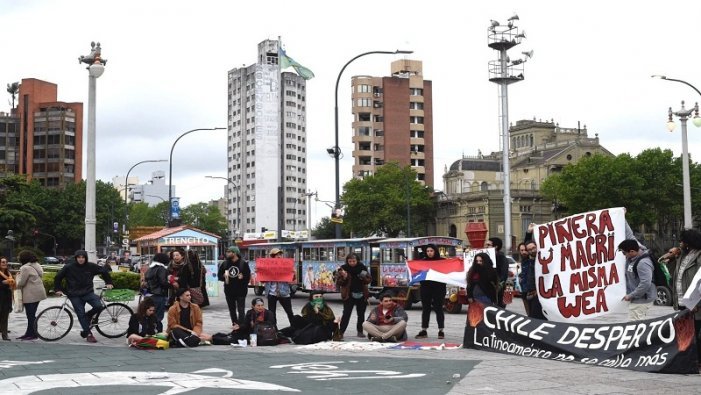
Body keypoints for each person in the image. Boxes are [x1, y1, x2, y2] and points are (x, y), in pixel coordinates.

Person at [54, 250, 114, 343]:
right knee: (80, 314)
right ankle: (89, 334)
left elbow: (104, 271)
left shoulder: (90, 266)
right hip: (74, 294)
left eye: (83, 257)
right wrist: (58, 289)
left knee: (99, 306)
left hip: (88, 292)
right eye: (79, 257)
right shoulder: (69, 267)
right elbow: (58, 277)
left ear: (85, 258)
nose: (81, 259)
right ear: (76, 258)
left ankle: (88, 315)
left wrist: (109, 282)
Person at [672, 228, 701, 358]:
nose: (679, 243)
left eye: (682, 241)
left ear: (689, 241)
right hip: (682, 300)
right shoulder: (684, 254)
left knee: (696, 333)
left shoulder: (699, 256)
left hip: (695, 303)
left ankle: (697, 359)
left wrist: (696, 301)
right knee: (685, 333)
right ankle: (688, 359)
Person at [336, 252, 371, 339]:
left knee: (361, 313)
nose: (352, 263)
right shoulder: (343, 268)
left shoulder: (362, 267)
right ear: (347, 261)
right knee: (346, 313)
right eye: (350, 261)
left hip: (361, 294)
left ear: (357, 261)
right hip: (348, 294)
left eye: (353, 261)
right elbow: (339, 282)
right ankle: (341, 332)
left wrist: (363, 277)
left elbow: (368, 280)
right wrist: (344, 276)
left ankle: (360, 331)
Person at [618, 239, 656, 320]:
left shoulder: (643, 263)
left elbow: (645, 283)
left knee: (634, 326)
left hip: (641, 300)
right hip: (637, 299)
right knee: (637, 324)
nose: (624, 255)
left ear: (631, 251)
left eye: (624, 253)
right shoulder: (633, 257)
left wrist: (631, 295)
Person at [415, 244, 446, 339]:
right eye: (428, 251)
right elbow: (418, 272)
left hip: (439, 288)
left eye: (431, 251)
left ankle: (441, 330)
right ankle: (424, 330)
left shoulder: (442, 261)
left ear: (435, 251)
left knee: (438, 308)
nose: (429, 253)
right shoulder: (423, 262)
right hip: (426, 287)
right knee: (426, 309)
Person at [16, 250, 47, 341]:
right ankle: (29, 333)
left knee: (30, 315)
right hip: (38, 293)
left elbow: (21, 282)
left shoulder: (25, 268)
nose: (18, 258)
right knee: (31, 314)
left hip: (30, 294)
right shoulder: (36, 265)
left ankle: (33, 334)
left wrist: (17, 277)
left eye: (19, 257)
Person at [218, 246, 250, 326]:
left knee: (241, 310)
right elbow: (219, 276)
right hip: (229, 291)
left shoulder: (243, 263)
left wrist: (243, 277)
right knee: (232, 310)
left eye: (229, 252)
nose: (227, 253)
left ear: (234, 253)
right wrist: (224, 277)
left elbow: (248, 277)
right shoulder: (225, 263)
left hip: (241, 291)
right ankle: (235, 326)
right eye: (227, 252)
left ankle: (241, 327)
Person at [264, 248, 295, 325]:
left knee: (289, 312)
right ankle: (274, 330)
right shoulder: (267, 266)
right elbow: (263, 280)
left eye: (280, 254)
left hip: (284, 292)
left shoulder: (286, 265)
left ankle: (294, 328)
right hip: (271, 293)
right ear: (272, 257)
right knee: (272, 313)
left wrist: (293, 273)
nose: (278, 256)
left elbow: (292, 279)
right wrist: (260, 273)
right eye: (276, 255)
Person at [145, 253, 170, 331]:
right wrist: (171, 285)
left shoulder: (150, 268)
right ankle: (157, 333)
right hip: (159, 295)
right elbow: (163, 282)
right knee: (158, 317)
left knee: (150, 315)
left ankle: (149, 331)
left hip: (149, 295)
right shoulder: (161, 269)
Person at [523, 241, 546, 319]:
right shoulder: (529, 261)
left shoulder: (543, 258)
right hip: (530, 294)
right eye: (529, 249)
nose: (532, 251)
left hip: (540, 295)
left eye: (533, 248)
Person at [485, 237, 509, 307]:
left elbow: (504, 274)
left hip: (498, 291)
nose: (486, 246)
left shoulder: (502, 258)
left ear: (496, 247)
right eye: (486, 244)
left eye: (488, 245)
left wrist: (498, 286)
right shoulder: (485, 257)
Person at [0, 256, 15, 341]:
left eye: (6, 262)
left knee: (5, 316)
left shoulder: (9, 274)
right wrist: (3, 283)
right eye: (2, 262)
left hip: (6, 297)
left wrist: (11, 283)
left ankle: (4, 335)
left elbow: (13, 283)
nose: (5, 264)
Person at [516, 242, 530, 315]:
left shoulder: (530, 259)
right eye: (521, 250)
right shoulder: (523, 261)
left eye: (525, 250)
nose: (523, 252)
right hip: (524, 290)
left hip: (530, 291)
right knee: (529, 313)